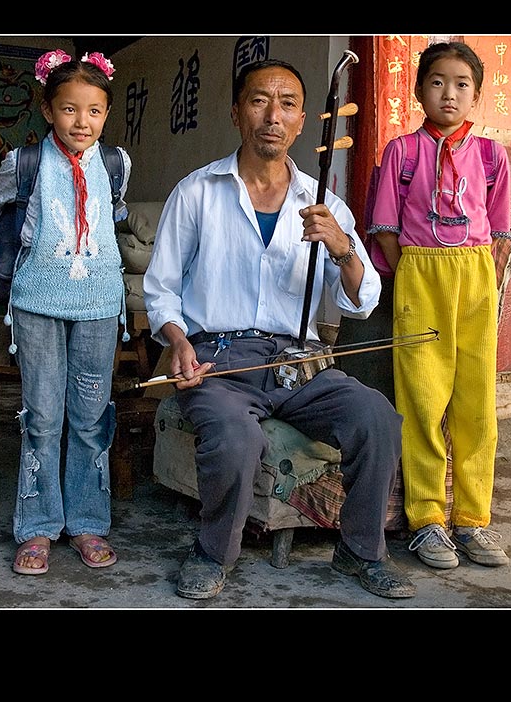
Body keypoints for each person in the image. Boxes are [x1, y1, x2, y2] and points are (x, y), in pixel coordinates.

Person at [144, 58, 416, 600]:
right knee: (234, 434)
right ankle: (212, 553)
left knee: (377, 417)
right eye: (260, 101)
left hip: (300, 362)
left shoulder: (324, 205)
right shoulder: (198, 192)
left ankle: (360, 550)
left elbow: (360, 301)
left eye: (288, 104)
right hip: (217, 360)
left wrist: (343, 249)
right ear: (237, 112)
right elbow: (161, 287)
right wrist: (177, 341)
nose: (274, 115)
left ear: (301, 122)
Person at [0, 49, 131, 576]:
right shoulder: (23, 163)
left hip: (99, 305)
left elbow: (116, 212)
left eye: (93, 111)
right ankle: (38, 527)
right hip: (37, 304)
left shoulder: (116, 164)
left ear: (106, 114)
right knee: (42, 417)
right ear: (48, 110)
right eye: (69, 109)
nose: (81, 121)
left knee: (90, 420)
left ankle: (88, 521)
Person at [368, 41, 511, 570]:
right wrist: (411, 270)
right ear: (418, 90)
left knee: (476, 404)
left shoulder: (492, 156)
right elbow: (384, 226)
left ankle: (474, 520)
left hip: (474, 277)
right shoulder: (401, 153)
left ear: (476, 95)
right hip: (420, 274)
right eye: (436, 82)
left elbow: (499, 232)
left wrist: (484, 283)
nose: (448, 94)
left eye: (461, 84)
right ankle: (428, 520)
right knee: (423, 401)